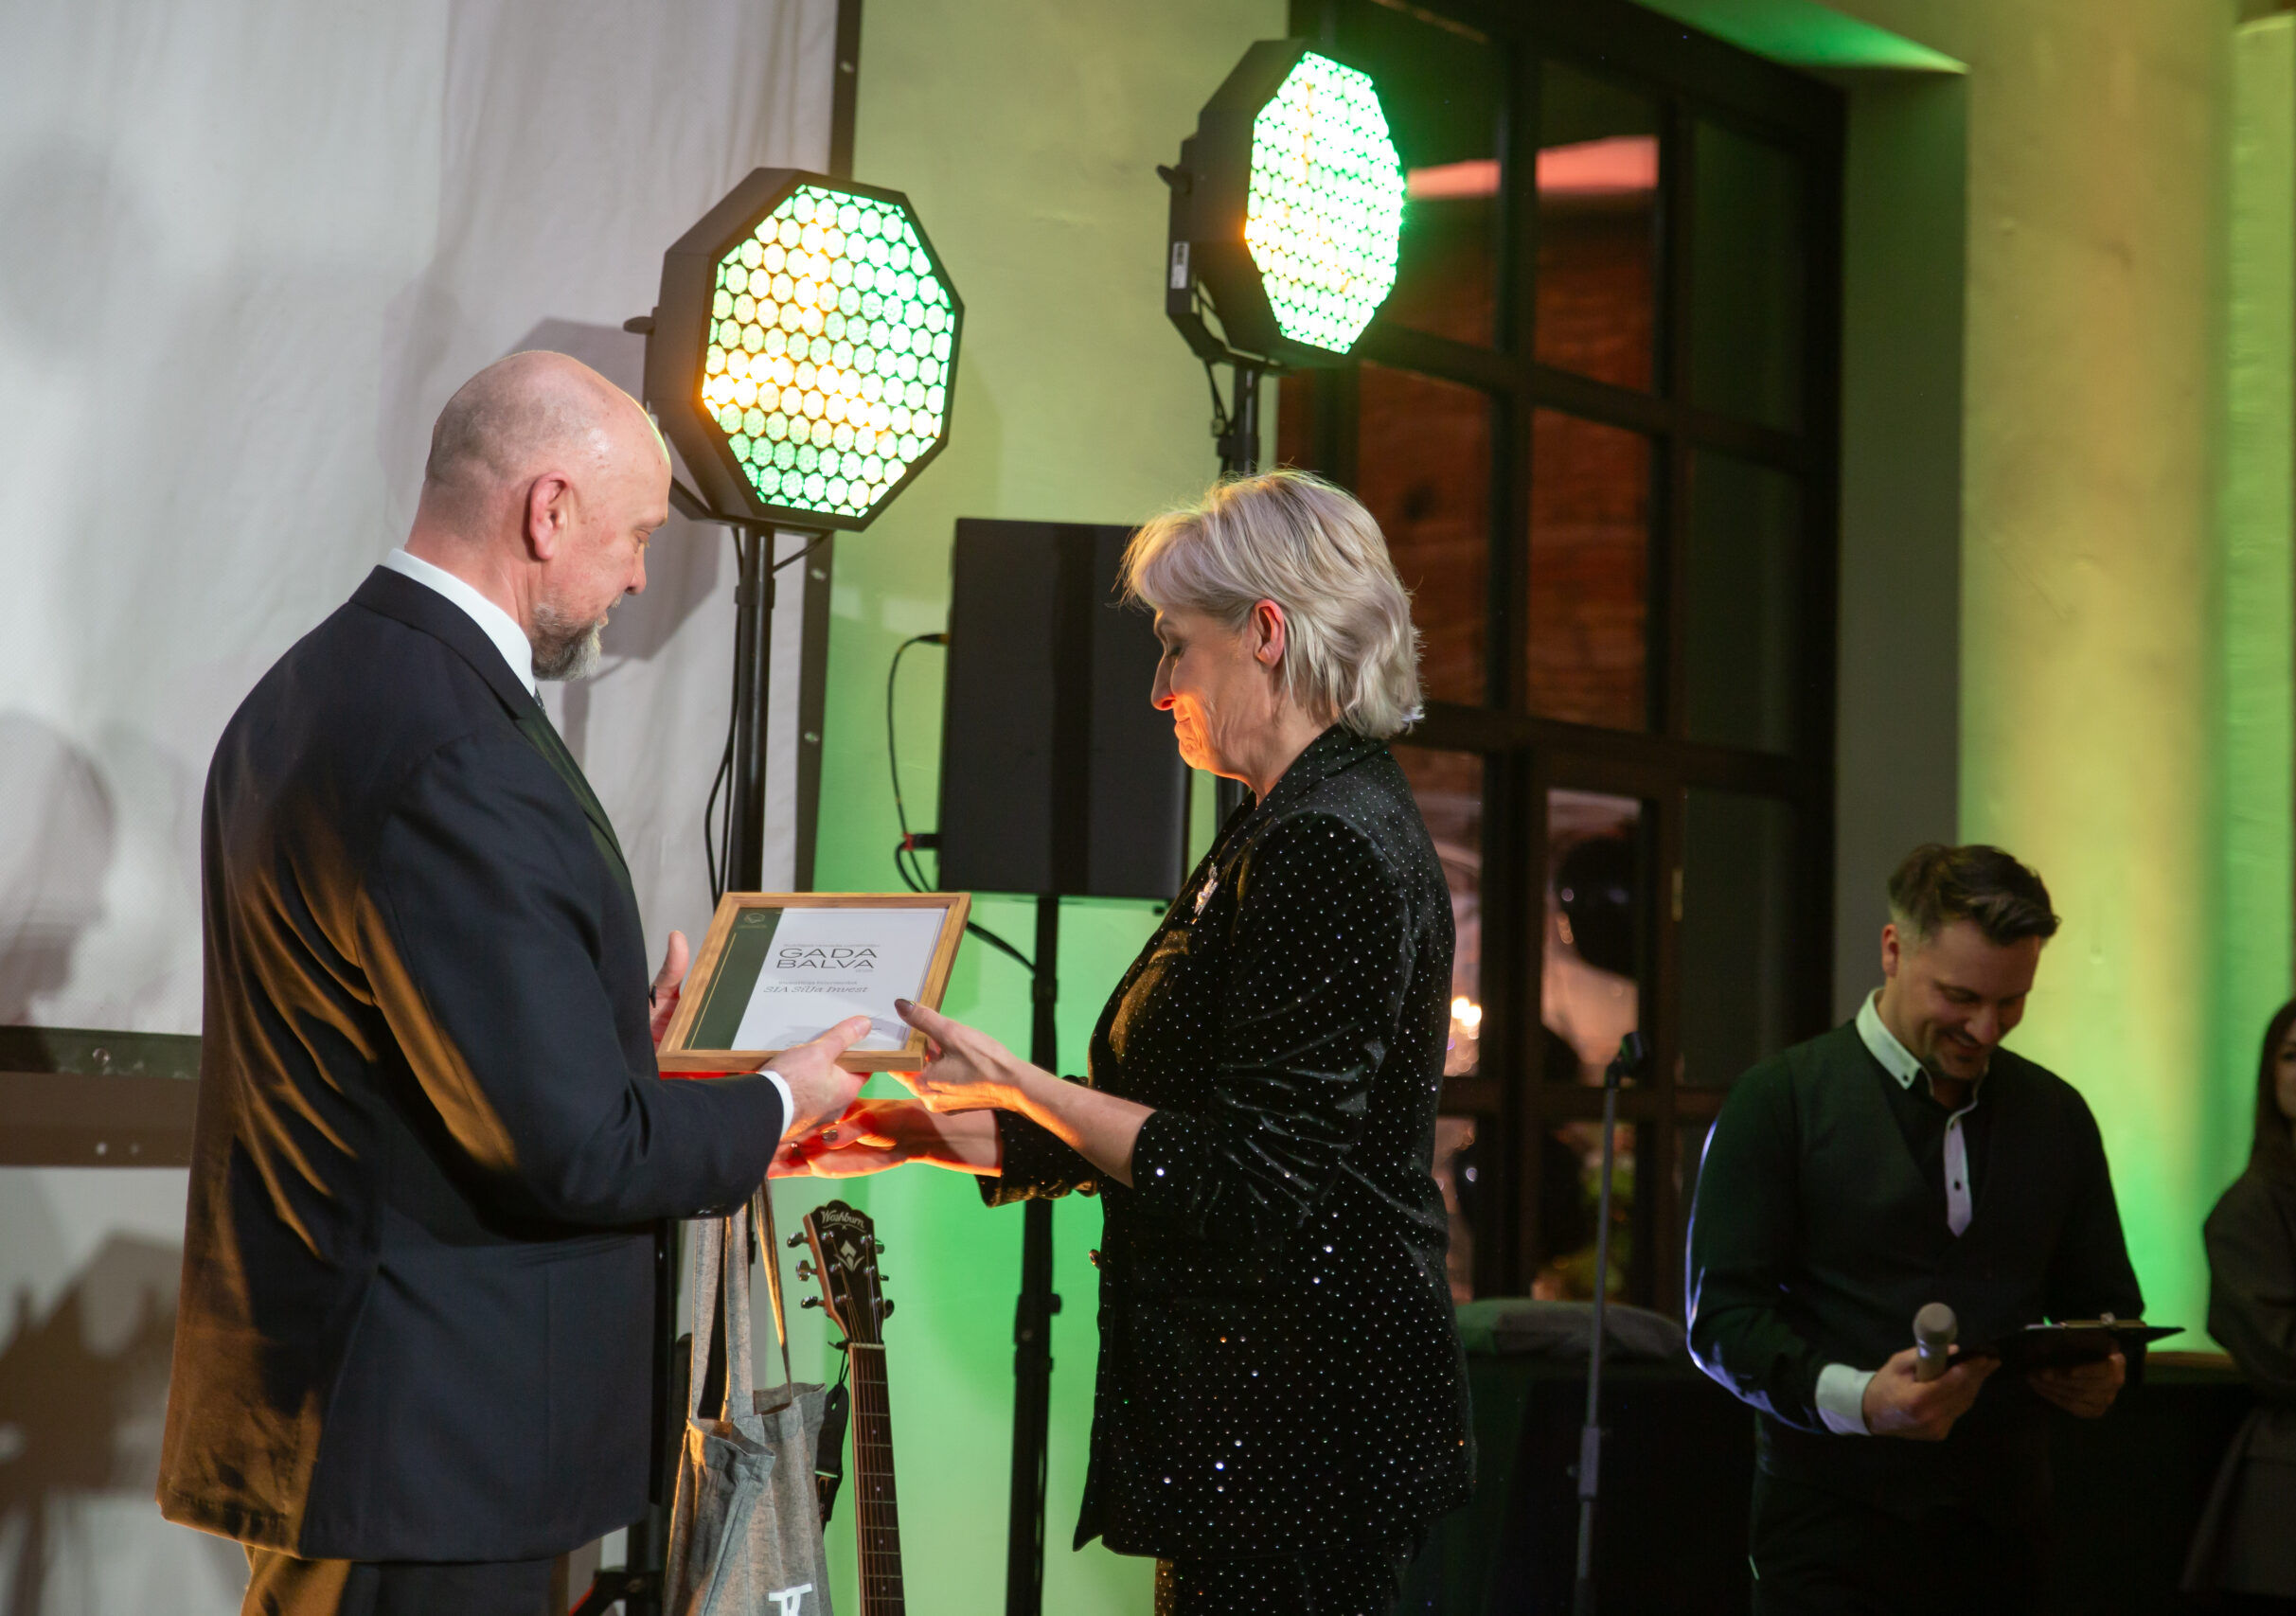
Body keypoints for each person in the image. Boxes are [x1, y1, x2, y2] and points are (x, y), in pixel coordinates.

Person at [157, 351, 869, 1616]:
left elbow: (408, 1028)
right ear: (549, 510)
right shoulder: (456, 744)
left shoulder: (313, 688)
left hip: (368, 1421)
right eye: (637, 535)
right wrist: (779, 1098)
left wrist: (605, 1037)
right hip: (427, 1444)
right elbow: (571, 1150)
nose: (639, 576)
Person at [789, 471, 1473, 1616]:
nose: (1159, 692)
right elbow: (1169, 1130)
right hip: (1265, 1430)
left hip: (1299, 1438)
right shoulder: (1283, 821)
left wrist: (1019, 1084)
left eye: (1174, 647)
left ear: (1265, 634)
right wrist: (902, 1130)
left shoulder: (1327, 844)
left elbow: (1248, 1179)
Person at [1685, 843, 2143, 1614]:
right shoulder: (1779, 1100)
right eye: (1961, 996)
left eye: (2013, 1001)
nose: (1987, 1028)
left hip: (2005, 1540)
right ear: (1893, 950)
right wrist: (1863, 1400)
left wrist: (2108, 1369)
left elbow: (2110, 1307)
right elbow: (1722, 1322)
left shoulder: (2058, 1114)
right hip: (1829, 1540)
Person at [2184, 989, 2296, 1609]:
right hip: (2294, 1492)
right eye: (2292, 1054)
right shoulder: (2248, 1209)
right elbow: (2284, 1356)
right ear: (2271, 1075)